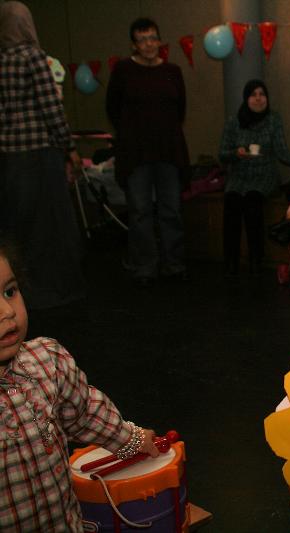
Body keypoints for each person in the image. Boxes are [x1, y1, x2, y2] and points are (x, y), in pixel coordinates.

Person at [0, 233, 160, 530]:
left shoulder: (46, 361)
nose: (7, 312)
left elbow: (86, 412)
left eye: (9, 291)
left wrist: (132, 440)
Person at [0, 1, 86, 310]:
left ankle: (21, 294)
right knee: (52, 226)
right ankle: (58, 292)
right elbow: (51, 108)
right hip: (40, 154)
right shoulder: (33, 57)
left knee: (18, 226)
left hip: (9, 158)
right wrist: (69, 146)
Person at [106, 17, 190, 287]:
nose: (149, 44)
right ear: (134, 44)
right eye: (142, 39)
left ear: (159, 41)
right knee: (140, 212)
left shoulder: (172, 71)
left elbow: (180, 110)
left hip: (168, 151)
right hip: (136, 153)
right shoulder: (123, 70)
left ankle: (173, 265)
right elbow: (113, 109)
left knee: (171, 211)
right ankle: (144, 267)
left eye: (153, 38)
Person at [218, 79, 290, 276]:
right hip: (239, 175)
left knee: (252, 202)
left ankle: (256, 259)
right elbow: (222, 154)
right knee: (231, 202)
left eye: (262, 94)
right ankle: (230, 260)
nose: (258, 99)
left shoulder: (273, 119)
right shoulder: (234, 122)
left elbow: (282, 151)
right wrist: (236, 153)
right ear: (246, 99)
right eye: (253, 95)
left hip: (264, 175)